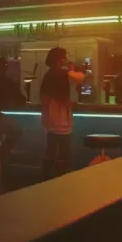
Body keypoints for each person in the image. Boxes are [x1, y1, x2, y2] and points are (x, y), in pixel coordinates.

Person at [39, 47, 86, 178]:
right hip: (60, 118)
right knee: (63, 151)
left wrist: (45, 116)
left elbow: (44, 97)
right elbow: (80, 78)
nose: (66, 59)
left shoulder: (49, 74)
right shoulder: (62, 73)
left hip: (52, 117)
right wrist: (72, 69)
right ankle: (60, 177)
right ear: (59, 60)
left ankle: (46, 177)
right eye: (64, 57)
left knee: (52, 149)